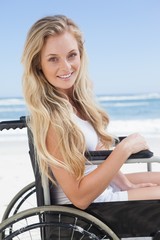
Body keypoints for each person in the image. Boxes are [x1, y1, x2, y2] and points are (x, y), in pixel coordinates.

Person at [22, 15, 160, 210]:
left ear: (80, 54)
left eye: (72, 55)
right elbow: (79, 198)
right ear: (38, 64)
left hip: (103, 188)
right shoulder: (53, 118)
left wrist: (126, 185)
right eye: (53, 59)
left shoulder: (74, 103)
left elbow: (97, 160)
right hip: (94, 203)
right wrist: (124, 148)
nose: (66, 67)